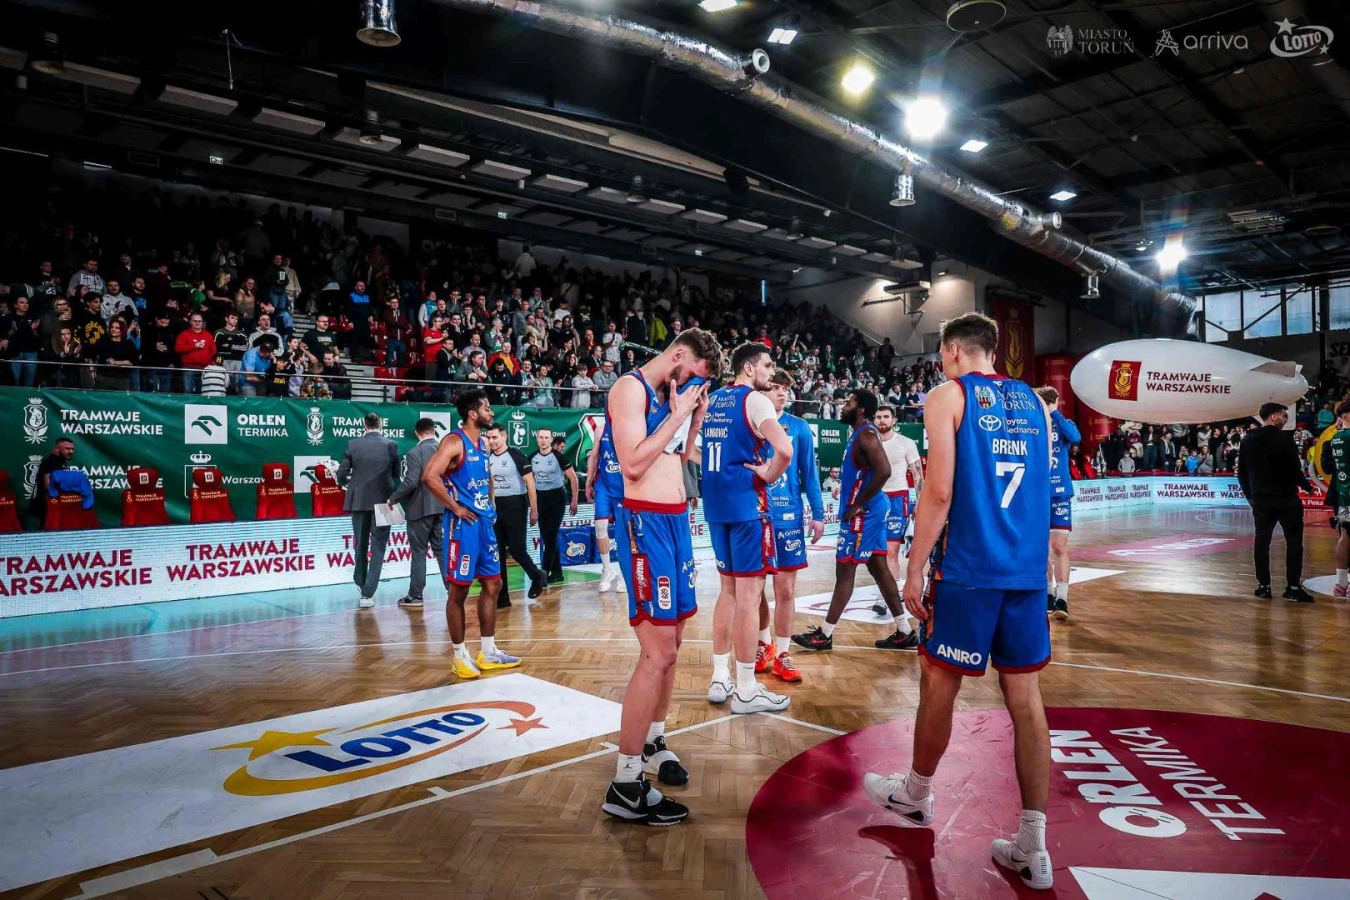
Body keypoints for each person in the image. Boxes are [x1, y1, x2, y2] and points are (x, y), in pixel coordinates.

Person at [863, 312, 1056, 890]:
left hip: (970, 567)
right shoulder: (1035, 402)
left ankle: (917, 792)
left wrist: (914, 565)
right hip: (1025, 569)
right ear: (993, 351)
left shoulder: (947, 396)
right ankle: (1033, 843)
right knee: (1026, 700)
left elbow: (939, 490)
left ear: (950, 351)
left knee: (938, 680)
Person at [602, 328, 720, 827]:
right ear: (678, 355)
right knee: (658, 652)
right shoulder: (629, 389)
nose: (693, 385)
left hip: (675, 523)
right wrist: (677, 413)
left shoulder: (672, 398)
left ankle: (653, 741)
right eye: (693, 374)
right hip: (644, 523)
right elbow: (632, 464)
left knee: (674, 643)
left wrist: (694, 421)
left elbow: (682, 462)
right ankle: (625, 783)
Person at [703, 343, 794, 715]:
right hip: (747, 507)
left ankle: (719, 677)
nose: (772, 372)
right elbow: (784, 450)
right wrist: (768, 474)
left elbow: (692, 451)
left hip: (715, 506)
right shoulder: (756, 401)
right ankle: (745, 689)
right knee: (748, 597)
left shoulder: (714, 400)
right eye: (768, 365)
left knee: (726, 592)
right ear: (748, 367)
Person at [791, 389, 914, 653]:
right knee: (879, 568)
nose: (843, 405)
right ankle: (905, 631)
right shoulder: (859, 433)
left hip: (864, 514)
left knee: (844, 571)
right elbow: (864, 474)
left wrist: (857, 504)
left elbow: (884, 471)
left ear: (860, 409)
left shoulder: (866, 434)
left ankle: (824, 634)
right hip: (870, 510)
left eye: (848, 402)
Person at [421, 389, 522, 678]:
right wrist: (455, 507)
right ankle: (459, 655)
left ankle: (488, 651)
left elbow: (486, 476)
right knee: (459, 590)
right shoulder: (454, 441)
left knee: (494, 584)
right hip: (462, 526)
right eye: (487, 408)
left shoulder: (483, 443)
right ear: (473, 414)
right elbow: (429, 476)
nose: (492, 412)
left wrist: (490, 502)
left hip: (484, 524)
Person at [752, 369, 825, 685]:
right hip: (754, 515)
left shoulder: (799, 428)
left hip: (789, 518)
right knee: (755, 590)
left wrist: (818, 513)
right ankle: (763, 643)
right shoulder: (750, 425)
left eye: (785, 388)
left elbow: (810, 474)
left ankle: (782, 654)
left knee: (785, 590)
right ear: (762, 392)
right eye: (775, 387)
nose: (782, 393)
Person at [1239, 403, 1315, 602]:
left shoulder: (1247, 440)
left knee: (1261, 543)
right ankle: (1292, 587)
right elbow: (1294, 469)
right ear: (1273, 417)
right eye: (1283, 415)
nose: (1286, 419)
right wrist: (1307, 487)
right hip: (1286, 499)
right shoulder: (1284, 439)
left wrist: (1250, 496)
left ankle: (1263, 586)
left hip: (1261, 501)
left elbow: (1242, 473)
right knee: (1294, 542)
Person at [337, 412, 401, 608]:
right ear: (380, 425)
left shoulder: (353, 444)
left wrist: (343, 482)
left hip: (359, 500)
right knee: (379, 546)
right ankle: (368, 593)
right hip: (384, 501)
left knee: (361, 543)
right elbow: (397, 473)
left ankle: (360, 582)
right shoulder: (391, 444)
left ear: (364, 426)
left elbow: (342, 472)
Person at [388, 418, 447, 609]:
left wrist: (394, 498)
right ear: (434, 430)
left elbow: (411, 481)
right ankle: (453, 591)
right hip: (443, 508)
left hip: (420, 510)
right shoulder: (445, 450)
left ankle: (415, 596)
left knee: (419, 553)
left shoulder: (415, 453)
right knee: (442, 552)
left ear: (416, 433)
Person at [485, 422, 547, 603]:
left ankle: (536, 575)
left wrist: (534, 510)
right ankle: (502, 597)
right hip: (495, 508)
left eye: (495, 437)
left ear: (504, 437)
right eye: (489, 438)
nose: (492, 441)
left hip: (515, 505)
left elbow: (530, 484)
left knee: (517, 549)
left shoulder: (516, 456)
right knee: (497, 552)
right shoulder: (487, 457)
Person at [1035, 386, 1081, 621]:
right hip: (1037, 493)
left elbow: (1076, 437)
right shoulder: (1033, 423)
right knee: (1041, 548)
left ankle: (1062, 598)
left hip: (1060, 492)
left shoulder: (1063, 423)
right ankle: (1048, 593)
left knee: (1059, 547)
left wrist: (1054, 412)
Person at [875, 404, 924, 601]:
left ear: (894, 420)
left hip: (897, 498)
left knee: (891, 550)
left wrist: (920, 502)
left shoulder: (906, 443)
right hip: (874, 499)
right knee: (876, 553)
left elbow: (917, 475)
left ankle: (888, 594)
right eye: (878, 417)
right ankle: (892, 585)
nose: (882, 420)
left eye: (886, 416)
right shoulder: (869, 443)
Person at [531, 427, 579, 584]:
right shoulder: (532, 457)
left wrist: (574, 501)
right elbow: (529, 481)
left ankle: (543, 573)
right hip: (541, 499)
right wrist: (533, 506)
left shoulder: (559, 457)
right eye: (541, 437)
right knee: (547, 537)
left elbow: (573, 478)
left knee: (551, 535)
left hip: (557, 499)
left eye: (546, 437)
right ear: (537, 439)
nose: (543, 440)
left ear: (551, 440)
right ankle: (557, 572)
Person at [586, 412, 626, 595]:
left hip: (624, 486)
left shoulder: (632, 428)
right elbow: (594, 457)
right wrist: (588, 483)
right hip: (603, 485)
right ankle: (607, 570)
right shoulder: (601, 430)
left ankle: (624, 573)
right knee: (600, 526)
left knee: (624, 532)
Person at [1321, 400, 1350, 598]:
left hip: (1344, 495)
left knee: (1345, 537)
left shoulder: (1336, 438)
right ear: (1345, 416)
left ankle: (1340, 584)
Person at [29, 437, 74, 529]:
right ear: (56, 449)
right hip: (48, 505)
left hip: (54, 504)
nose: (71, 451)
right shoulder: (50, 462)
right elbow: (48, 484)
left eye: (72, 449)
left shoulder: (61, 462)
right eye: (67, 449)